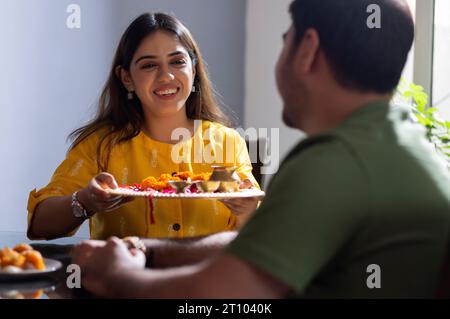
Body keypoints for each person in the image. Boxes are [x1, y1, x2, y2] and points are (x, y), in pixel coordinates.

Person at [72, 0, 450, 298]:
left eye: (286, 41)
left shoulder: (332, 164)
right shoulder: (408, 148)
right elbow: (255, 245)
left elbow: (210, 296)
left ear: (307, 50)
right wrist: (147, 249)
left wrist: (115, 275)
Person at [27, 13, 259, 241]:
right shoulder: (100, 145)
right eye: (149, 65)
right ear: (126, 77)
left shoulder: (228, 142)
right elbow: (40, 223)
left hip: (208, 278)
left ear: (194, 69)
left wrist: (247, 209)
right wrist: (86, 201)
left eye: (177, 62)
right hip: (123, 278)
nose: (166, 76)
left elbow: (260, 238)